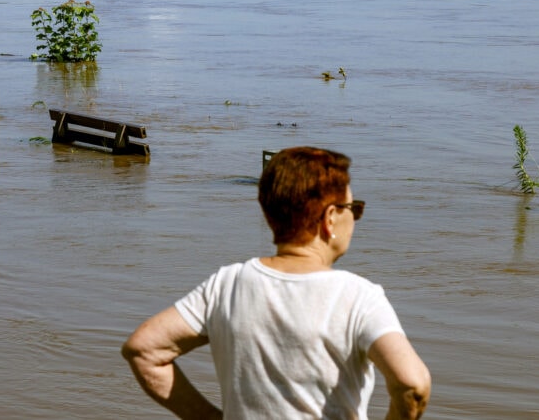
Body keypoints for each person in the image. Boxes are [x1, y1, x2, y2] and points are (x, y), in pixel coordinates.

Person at [122, 146, 431, 419]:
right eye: (354, 209)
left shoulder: (226, 284)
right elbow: (413, 385)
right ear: (330, 218)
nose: (356, 218)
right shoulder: (359, 297)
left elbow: (144, 350)